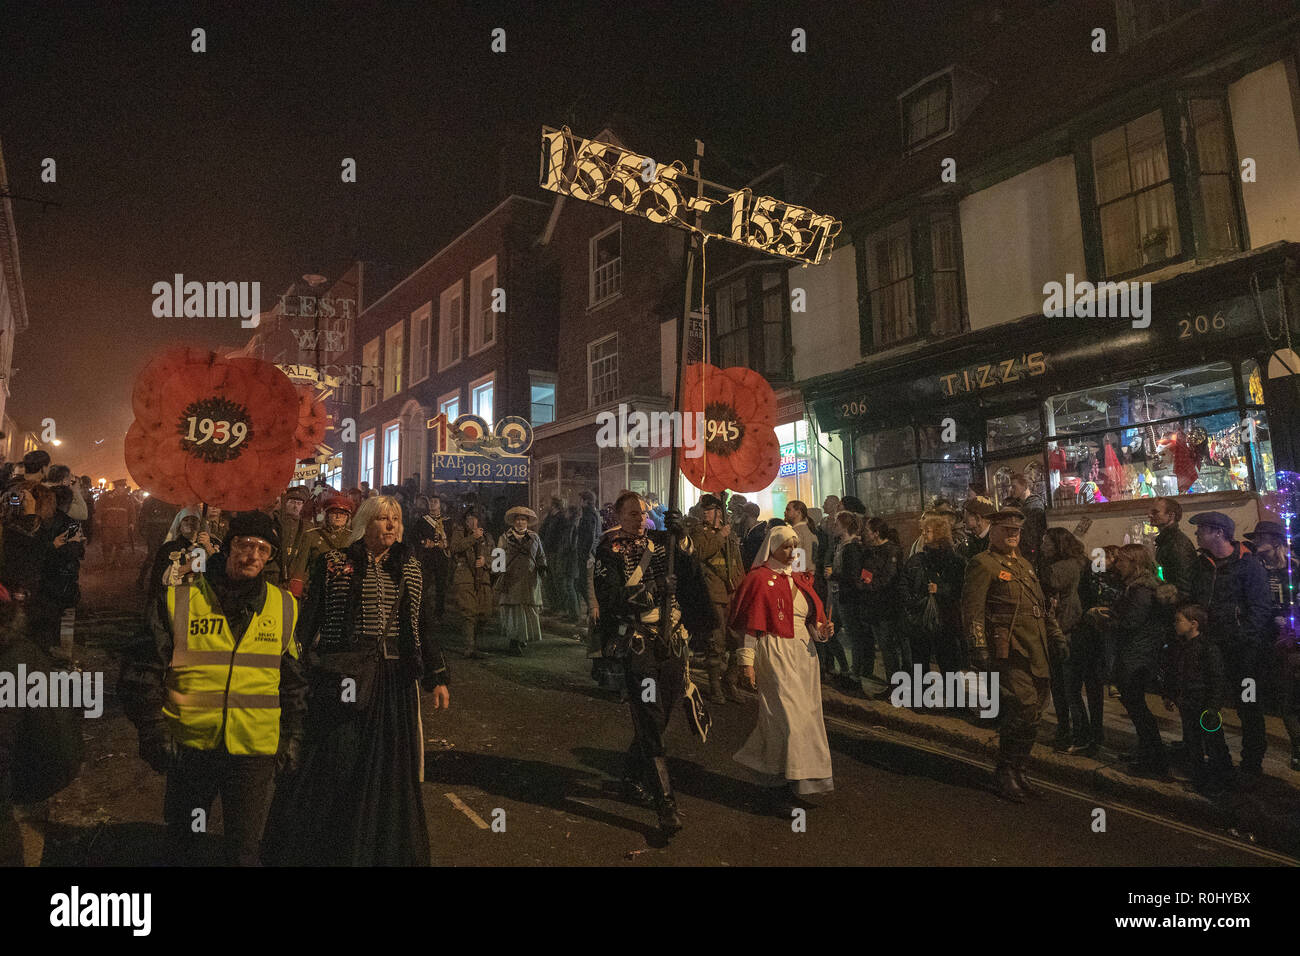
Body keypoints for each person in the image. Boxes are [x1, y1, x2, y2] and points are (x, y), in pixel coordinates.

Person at [263, 496, 449, 866]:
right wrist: (293, 666)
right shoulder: (333, 563)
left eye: (396, 518)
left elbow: (424, 625)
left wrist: (436, 676)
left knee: (389, 767)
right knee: (336, 759)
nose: (391, 525)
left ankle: (383, 850)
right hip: (343, 675)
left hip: (394, 682)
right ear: (366, 523)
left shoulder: (410, 568)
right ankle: (324, 845)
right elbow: (309, 619)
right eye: (383, 518)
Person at [119, 511, 307, 865]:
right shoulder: (182, 598)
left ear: (271, 558)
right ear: (227, 546)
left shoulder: (284, 607)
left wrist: (294, 735)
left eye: (263, 549)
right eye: (246, 545)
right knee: (185, 845)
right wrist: (152, 730)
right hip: (190, 748)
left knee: (243, 852)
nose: (253, 556)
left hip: (255, 752)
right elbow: (142, 670)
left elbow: (294, 680)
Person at [591, 491, 716, 835]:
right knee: (649, 715)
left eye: (642, 513)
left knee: (662, 716)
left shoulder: (664, 541)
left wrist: (684, 537)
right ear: (618, 516)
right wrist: (655, 587)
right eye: (631, 514)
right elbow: (612, 597)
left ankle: (632, 776)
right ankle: (666, 805)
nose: (639, 519)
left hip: (672, 644)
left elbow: (692, 577)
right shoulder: (608, 550)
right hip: (640, 646)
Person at [961, 508, 1068, 803]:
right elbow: (973, 611)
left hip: (1036, 648)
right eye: (1006, 530)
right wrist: (978, 646)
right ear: (993, 531)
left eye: (1016, 531)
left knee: (1034, 712)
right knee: (1022, 705)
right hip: (1008, 649)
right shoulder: (983, 564)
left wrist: (1056, 637)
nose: (1012, 535)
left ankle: (1019, 769)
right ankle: (1005, 771)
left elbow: (1040, 606)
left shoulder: (1024, 565)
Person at [730, 524, 835, 811]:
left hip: (804, 656)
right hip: (774, 653)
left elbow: (810, 622)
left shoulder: (802, 580)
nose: (791, 552)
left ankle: (787, 781)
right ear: (772, 547)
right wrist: (746, 663)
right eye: (785, 546)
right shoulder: (759, 579)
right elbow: (751, 625)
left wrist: (822, 631)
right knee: (786, 719)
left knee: (804, 719)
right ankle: (780, 785)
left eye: (794, 546)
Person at [1189, 511, 1272, 780]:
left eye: (1201, 529)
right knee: (1209, 704)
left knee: (1248, 707)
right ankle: (1219, 759)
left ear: (1218, 532)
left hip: (1244, 653)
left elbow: (1260, 609)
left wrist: (1244, 639)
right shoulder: (1202, 565)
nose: (1197, 534)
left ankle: (1251, 764)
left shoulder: (1249, 565)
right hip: (1211, 648)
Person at [1106, 543, 1169, 777]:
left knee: (1138, 709)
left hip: (1136, 656)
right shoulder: (1135, 586)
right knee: (1136, 707)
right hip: (1136, 653)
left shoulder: (1141, 590)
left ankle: (1154, 761)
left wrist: (1106, 621)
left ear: (1135, 563)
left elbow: (1132, 623)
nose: (1117, 564)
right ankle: (1146, 753)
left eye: (1121, 560)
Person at [1244, 519, 1300, 769]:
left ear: (1275, 541)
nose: (1257, 542)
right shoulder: (1255, 568)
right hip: (1264, 639)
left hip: (1291, 639)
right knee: (1273, 695)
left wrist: (1292, 623)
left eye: (1262, 538)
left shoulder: (1294, 569)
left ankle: (1297, 746)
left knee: (1291, 696)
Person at [1164, 604, 1231, 795]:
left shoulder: (1207, 648)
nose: (1175, 624)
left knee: (1214, 743)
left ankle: (1221, 781)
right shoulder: (1181, 646)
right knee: (1193, 743)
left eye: (1179, 621)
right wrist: (1170, 695)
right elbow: (1176, 674)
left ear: (1194, 624)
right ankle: (1201, 780)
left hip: (1204, 706)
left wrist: (1213, 707)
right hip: (1188, 704)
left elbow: (1217, 679)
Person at [690, 494, 745, 704]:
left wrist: (741, 583)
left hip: (732, 590)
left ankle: (729, 681)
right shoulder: (699, 531)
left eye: (711, 509)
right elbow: (701, 552)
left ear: (719, 512)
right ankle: (715, 686)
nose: (705, 512)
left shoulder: (730, 532)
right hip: (713, 591)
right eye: (705, 509)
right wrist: (720, 535)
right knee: (716, 640)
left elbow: (737, 560)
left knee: (736, 639)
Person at [1037, 527, 1086, 752]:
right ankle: (1064, 730)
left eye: (1046, 543)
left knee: (1069, 689)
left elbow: (1048, 582)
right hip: (1057, 630)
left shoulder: (1065, 567)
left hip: (1066, 631)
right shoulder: (1062, 565)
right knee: (1058, 687)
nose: (1042, 546)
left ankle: (1079, 735)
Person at [901, 515, 967, 677]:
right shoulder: (917, 559)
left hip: (945, 621)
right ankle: (922, 697)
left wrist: (940, 589)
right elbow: (904, 583)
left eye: (927, 531)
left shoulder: (955, 561)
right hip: (920, 620)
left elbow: (961, 589)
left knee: (948, 664)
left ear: (939, 533)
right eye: (923, 530)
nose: (923, 534)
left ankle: (954, 700)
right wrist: (912, 602)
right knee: (920, 663)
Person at [29, 485, 87, 653]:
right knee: (56, 619)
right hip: (62, 577)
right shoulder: (70, 523)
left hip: (41, 576)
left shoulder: (37, 520)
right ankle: (52, 652)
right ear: (68, 503)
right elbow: (75, 552)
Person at [860, 517, 905, 683]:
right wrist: (867, 582)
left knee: (888, 647)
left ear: (876, 533)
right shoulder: (871, 551)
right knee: (884, 647)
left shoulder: (891, 550)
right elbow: (865, 573)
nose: (865, 533)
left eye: (868, 531)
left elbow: (888, 578)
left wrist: (869, 584)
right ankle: (892, 682)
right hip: (873, 605)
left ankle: (896, 685)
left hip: (886, 605)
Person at [496, 506, 546, 655]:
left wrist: (543, 568)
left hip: (529, 580)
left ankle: (522, 637)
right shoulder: (504, 538)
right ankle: (514, 641)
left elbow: (541, 556)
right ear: (513, 522)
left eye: (523, 520)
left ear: (527, 522)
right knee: (514, 611)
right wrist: (498, 571)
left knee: (527, 609)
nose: (520, 522)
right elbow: (497, 560)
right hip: (511, 580)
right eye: (518, 520)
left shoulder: (534, 537)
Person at [447, 509, 494, 658]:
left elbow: (498, 558)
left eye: (474, 518)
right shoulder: (460, 533)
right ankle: (469, 646)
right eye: (468, 518)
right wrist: (473, 538)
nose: (471, 521)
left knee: (485, 612)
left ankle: (475, 642)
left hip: (483, 578)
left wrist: (486, 562)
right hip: (465, 576)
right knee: (469, 612)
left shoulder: (488, 537)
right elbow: (455, 548)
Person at [291, 494, 355, 599]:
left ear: (348, 517)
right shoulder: (312, 535)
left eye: (342, 514)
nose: (338, 517)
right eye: (334, 513)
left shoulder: (354, 537)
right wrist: (297, 592)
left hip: (345, 592)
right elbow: (301, 565)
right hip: (317, 590)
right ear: (327, 515)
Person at [818, 510, 856, 683]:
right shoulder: (838, 545)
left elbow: (851, 575)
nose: (834, 527)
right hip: (836, 595)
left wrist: (833, 574)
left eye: (837, 524)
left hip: (846, 597)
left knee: (851, 634)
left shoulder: (852, 547)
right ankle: (845, 667)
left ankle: (854, 672)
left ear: (844, 526)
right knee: (829, 632)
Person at [408, 493, 450, 618]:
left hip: (441, 558)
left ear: (440, 505)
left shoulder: (447, 521)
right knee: (424, 585)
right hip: (427, 557)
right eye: (431, 502)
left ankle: (439, 613)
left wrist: (446, 543)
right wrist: (424, 542)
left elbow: (452, 538)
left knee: (441, 586)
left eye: (435, 501)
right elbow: (413, 536)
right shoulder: (423, 521)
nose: (433, 504)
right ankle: (422, 611)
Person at [266, 487, 312, 593]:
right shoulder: (274, 522)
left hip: (295, 576)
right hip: (275, 575)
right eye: (292, 502)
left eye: (299, 503)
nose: (295, 506)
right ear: (285, 503)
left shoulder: (307, 527)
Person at [1150, 497, 1196, 601]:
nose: (1149, 515)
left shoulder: (1177, 543)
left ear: (1171, 515)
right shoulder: (1166, 540)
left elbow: (1184, 586)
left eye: (1155, 512)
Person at [94, 479, 137, 566]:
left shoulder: (127, 498)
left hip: (122, 525)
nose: (123, 489)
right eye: (121, 487)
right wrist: (98, 519)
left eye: (124, 487)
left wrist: (132, 523)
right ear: (117, 487)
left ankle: (117, 561)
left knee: (120, 544)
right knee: (107, 543)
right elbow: (99, 507)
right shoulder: (106, 496)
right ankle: (107, 561)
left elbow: (132, 511)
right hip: (108, 525)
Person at [1007, 474, 1046, 565]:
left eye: (1014, 486)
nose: (1011, 490)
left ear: (1024, 486)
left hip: (1032, 552)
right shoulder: (1015, 505)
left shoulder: (1036, 506)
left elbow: (1037, 533)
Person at [784, 500, 817, 572]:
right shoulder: (809, 530)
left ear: (798, 512)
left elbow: (795, 559)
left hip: (800, 576)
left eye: (788, 510)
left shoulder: (796, 532)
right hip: (809, 575)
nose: (785, 512)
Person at [738, 503, 768, 571]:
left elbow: (752, 556)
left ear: (746, 515)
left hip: (754, 570)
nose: (740, 516)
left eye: (742, 513)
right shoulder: (750, 530)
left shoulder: (759, 533)